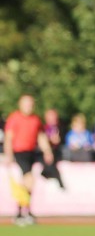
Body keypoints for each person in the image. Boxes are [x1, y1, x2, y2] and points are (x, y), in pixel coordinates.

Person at [2, 94, 54, 225]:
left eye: (31, 104)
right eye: (26, 104)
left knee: (27, 183)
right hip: (19, 153)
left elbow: (41, 137)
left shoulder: (35, 119)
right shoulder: (14, 118)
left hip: (31, 153)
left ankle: (22, 211)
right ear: (20, 105)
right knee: (27, 180)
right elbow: (8, 138)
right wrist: (8, 155)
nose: (29, 107)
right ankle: (24, 212)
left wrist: (47, 151)